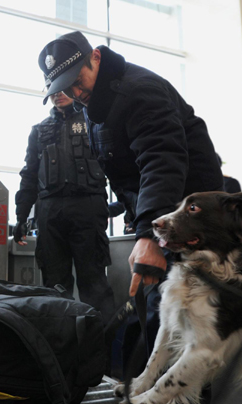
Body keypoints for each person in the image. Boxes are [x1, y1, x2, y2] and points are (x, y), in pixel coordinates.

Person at [37, 31, 224, 383]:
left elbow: (161, 160)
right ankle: (145, 383)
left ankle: (173, 390)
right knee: (160, 309)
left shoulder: (138, 91)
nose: (76, 93)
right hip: (163, 212)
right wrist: (134, 216)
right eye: (67, 88)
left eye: (78, 80)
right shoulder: (95, 102)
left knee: (175, 312)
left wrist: (149, 234)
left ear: (95, 56)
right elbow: (126, 168)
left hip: (190, 216)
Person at [13, 91, 116, 326]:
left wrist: (127, 206)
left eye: (62, 89)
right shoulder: (39, 130)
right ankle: (61, 349)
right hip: (49, 213)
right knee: (54, 286)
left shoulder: (96, 122)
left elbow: (115, 166)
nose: (57, 96)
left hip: (87, 209)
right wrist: (21, 216)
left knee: (94, 284)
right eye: (52, 92)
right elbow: (29, 175)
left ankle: (105, 351)